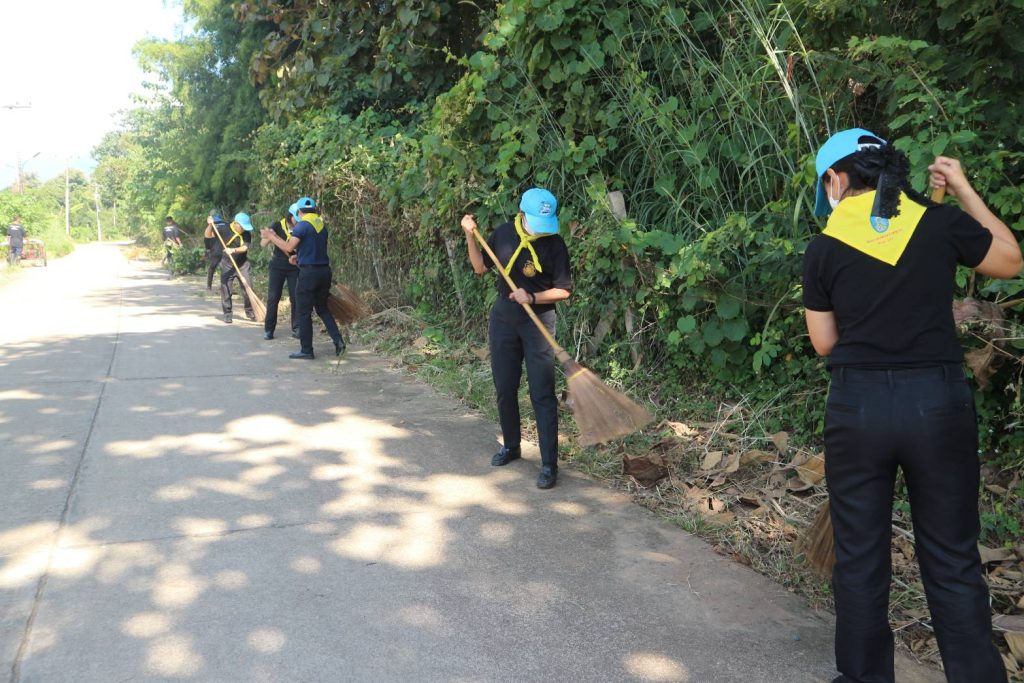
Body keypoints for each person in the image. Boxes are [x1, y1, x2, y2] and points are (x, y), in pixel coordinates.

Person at [802, 128, 1020, 683]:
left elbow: (825, 343)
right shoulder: (938, 221)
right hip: (937, 405)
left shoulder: (824, 246)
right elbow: (1009, 260)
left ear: (836, 180)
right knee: (952, 557)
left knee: (859, 556)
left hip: (858, 409)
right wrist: (963, 189)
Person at [460, 188, 573, 489]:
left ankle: (549, 464)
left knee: (542, 393)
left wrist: (532, 297)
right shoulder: (504, 234)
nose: (540, 229)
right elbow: (479, 267)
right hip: (504, 318)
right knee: (505, 386)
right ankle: (511, 446)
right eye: (535, 221)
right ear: (522, 214)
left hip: (539, 320)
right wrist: (470, 236)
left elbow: (563, 290)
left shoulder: (554, 243)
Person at [260, 197, 345, 359]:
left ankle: (306, 350)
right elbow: (313, 247)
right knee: (322, 309)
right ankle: (338, 341)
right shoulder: (321, 225)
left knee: (303, 311)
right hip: (324, 272)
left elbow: (288, 247)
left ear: (299, 211)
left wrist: (271, 236)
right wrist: (299, 257)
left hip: (309, 274)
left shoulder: (302, 226)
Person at [260, 203, 300, 340]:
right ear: (290, 216)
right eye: (296, 218)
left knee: (295, 297)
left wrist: (274, 238)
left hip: (294, 266)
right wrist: (269, 236)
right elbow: (262, 244)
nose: (298, 221)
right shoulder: (277, 225)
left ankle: (297, 328)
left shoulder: (301, 228)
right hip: (277, 266)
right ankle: (269, 329)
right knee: (273, 297)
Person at [205, 212, 254, 323]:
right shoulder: (224, 228)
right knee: (226, 289)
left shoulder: (246, 233)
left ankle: (249, 311)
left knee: (248, 287)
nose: (244, 229)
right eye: (242, 227)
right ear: (236, 224)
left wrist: (233, 250)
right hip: (227, 264)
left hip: (242, 264)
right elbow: (208, 235)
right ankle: (227, 313)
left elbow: (245, 247)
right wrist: (210, 225)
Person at [204, 214, 219, 290]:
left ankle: (225, 286)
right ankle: (209, 285)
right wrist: (210, 224)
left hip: (223, 251)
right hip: (213, 252)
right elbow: (207, 236)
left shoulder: (221, 228)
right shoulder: (209, 229)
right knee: (212, 267)